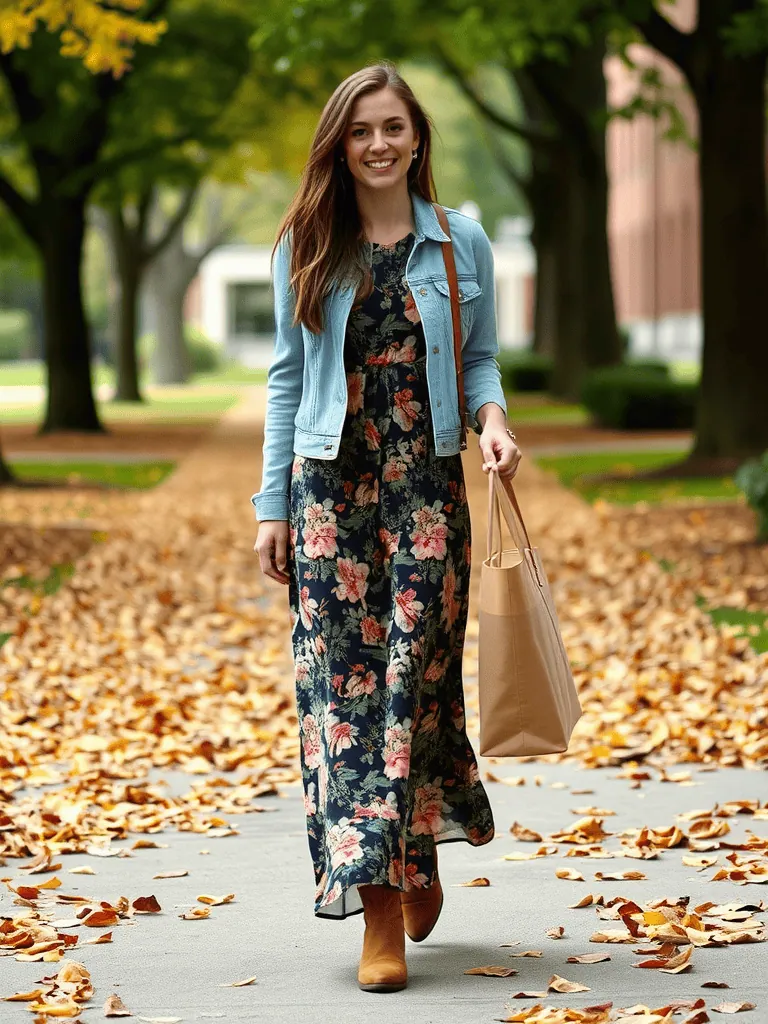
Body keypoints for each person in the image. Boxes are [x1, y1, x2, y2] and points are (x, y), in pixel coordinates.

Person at [252, 60, 522, 993]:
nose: (377, 144)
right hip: (331, 496)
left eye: (393, 128)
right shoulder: (306, 243)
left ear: (418, 139)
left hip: (427, 488)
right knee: (349, 703)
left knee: (417, 684)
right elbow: (287, 381)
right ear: (341, 140)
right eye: (361, 129)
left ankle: (419, 851)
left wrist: (491, 423)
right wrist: (271, 506)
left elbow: (478, 360)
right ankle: (379, 913)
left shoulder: (461, 242)